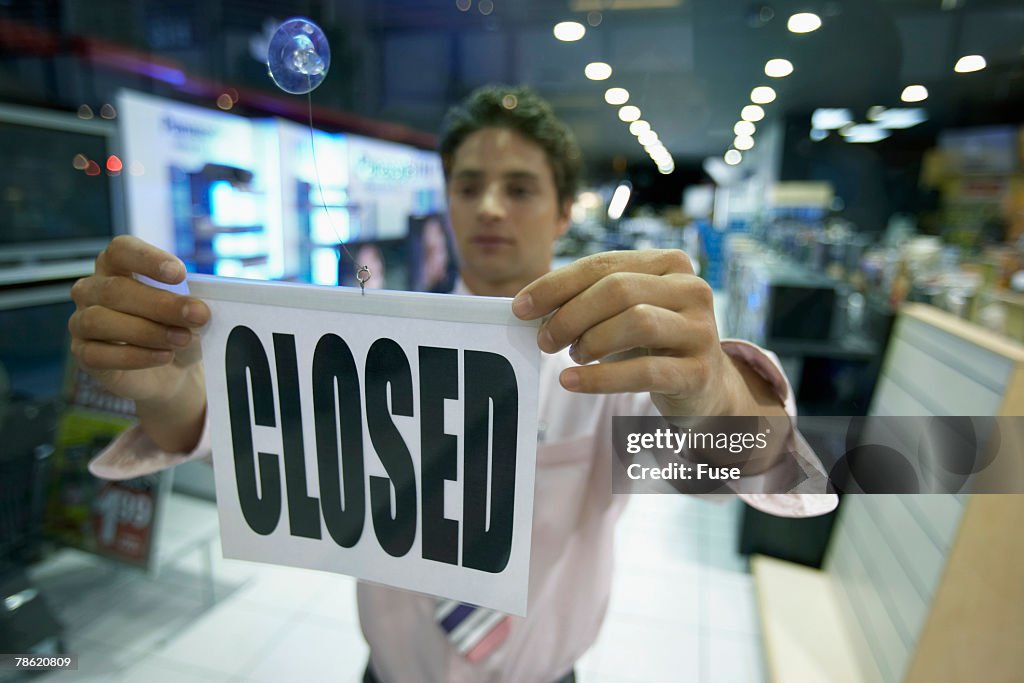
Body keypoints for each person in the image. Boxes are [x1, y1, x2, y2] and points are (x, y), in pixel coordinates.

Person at [69, 85, 835, 683]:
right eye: (469, 185)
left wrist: (713, 394)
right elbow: (241, 444)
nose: (490, 207)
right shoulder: (365, 340)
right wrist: (167, 386)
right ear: (446, 198)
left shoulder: (612, 360)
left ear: (566, 207)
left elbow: (751, 465)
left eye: (520, 187)